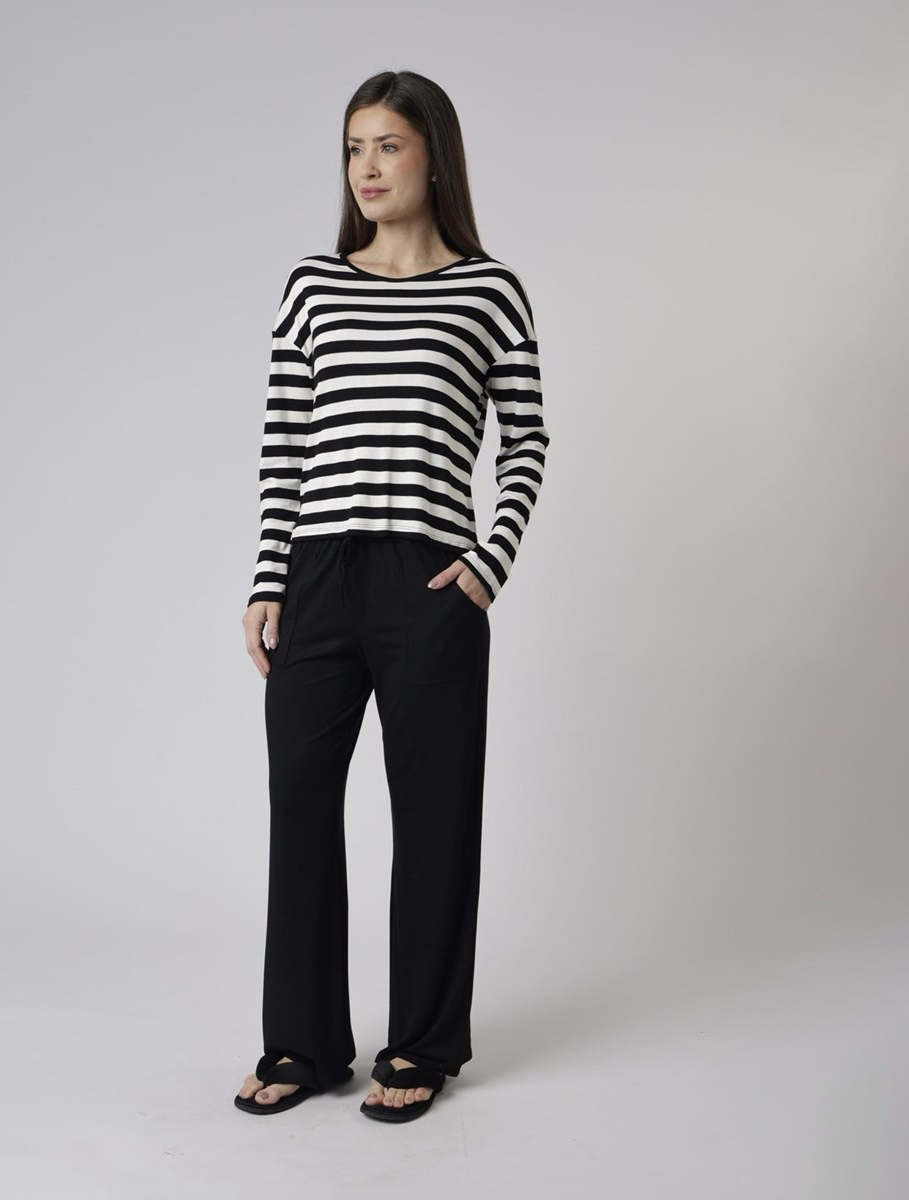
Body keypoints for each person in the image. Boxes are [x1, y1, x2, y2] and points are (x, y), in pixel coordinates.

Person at [235, 69, 549, 1123]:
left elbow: (528, 440)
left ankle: (421, 1043)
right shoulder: (313, 287)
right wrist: (268, 580)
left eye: (388, 146)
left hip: (430, 582)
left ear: (434, 157)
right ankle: (304, 1042)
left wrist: (488, 565)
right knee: (299, 805)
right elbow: (285, 444)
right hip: (318, 576)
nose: (366, 168)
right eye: (353, 148)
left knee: (435, 817)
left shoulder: (489, 291)